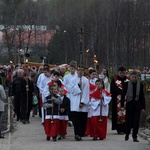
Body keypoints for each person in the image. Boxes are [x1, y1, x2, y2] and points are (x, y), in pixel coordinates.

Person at [69, 65, 89, 141]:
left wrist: (82, 102)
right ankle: (77, 134)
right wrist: (78, 85)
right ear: (77, 71)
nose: (80, 71)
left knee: (83, 120)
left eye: (82, 70)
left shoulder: (86, 80)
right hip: (75, 102)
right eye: (79, 70)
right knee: (76, 121)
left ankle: (81, 133)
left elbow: (86, 92)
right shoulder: (73, 80)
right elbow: (72, 90)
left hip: (83, 103)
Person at [125, 71, 145, 142]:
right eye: (132, 77)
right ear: (130, 77)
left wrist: (143, 107)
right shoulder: (127, 84)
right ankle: (127, 134)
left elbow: (142, 96)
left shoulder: (140, 85)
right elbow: (123, 95)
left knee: (136, 121)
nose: (134, 78)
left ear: (137, 77)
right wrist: (122, 105)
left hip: (137, 105)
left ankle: (135, 136)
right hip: (129, 104)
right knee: (128, 120)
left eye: (135, 77)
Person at [110, 66, 129, 134]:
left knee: (126, 114)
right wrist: (119, 92)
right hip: (117, 99)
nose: (122, 74)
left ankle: (126, 128)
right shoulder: (114, 80)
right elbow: (112, 90)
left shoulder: (128, 80)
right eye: (121, 73)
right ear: (118, 72)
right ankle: (119, 129)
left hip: (126, 99)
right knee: (119, 114)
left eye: (123, 73)